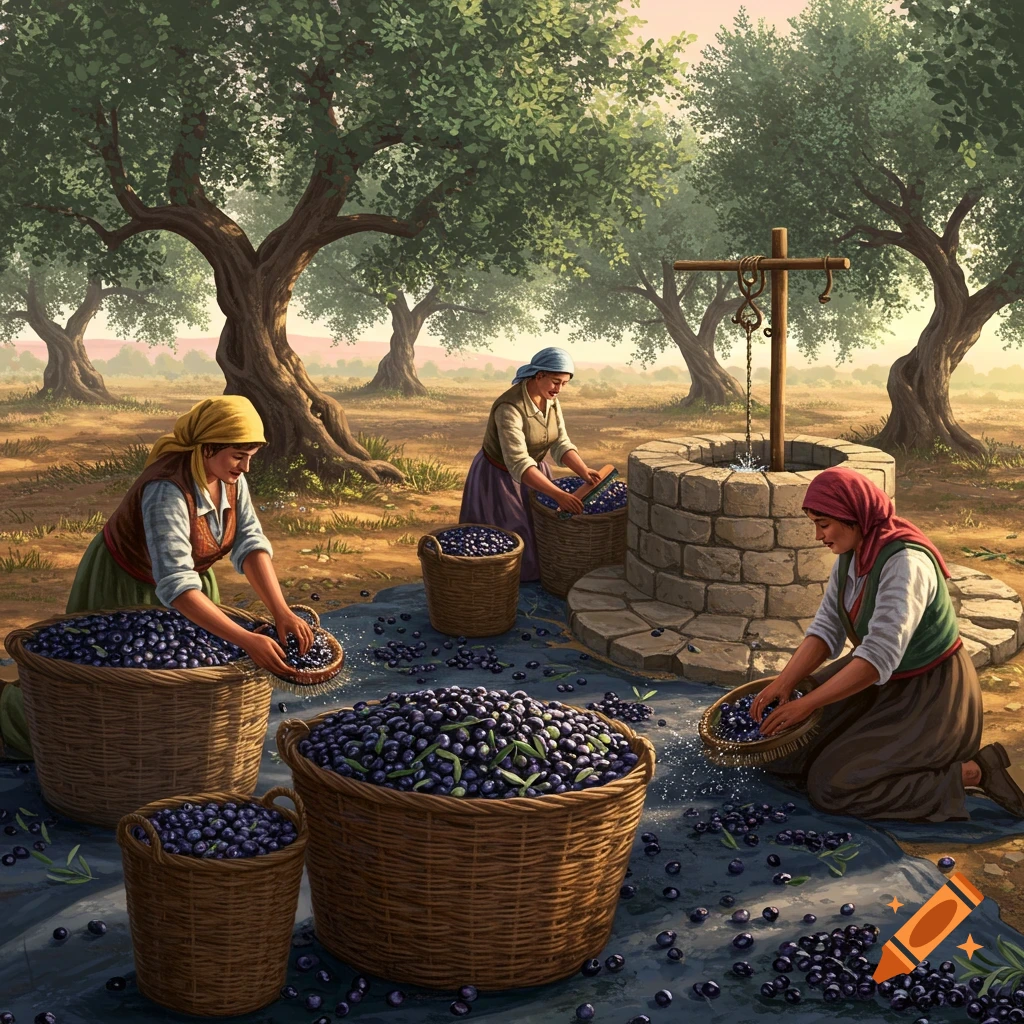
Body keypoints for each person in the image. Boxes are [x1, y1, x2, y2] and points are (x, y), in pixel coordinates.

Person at [0, 395, 312, 760]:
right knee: (108, 678)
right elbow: (176, 584)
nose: (245, 467)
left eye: (249, 457)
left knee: (184, 670)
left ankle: (168, 756)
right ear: (207, 447)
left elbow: (250, 543)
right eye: (237, 456)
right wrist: (246, 640)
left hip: (192, 589)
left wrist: (281, 611)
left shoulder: (229, 479)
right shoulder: (166, 489)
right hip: (124, 584)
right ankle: (17, 726)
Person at [751, 465, 1024, 822]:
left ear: (854, 517)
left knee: (832, 785)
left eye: (823, 523)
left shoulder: (906, 563)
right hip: (876, 682)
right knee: (780, 751)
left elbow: (878, 657)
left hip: (930, 696)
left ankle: (972, 772)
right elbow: (827, 629)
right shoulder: (850, 553)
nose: (818, 536)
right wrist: (783, 684)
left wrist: (808, 705)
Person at [459, 346, 602, 581]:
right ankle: (501, 588)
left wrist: (583, 470)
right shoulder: (509, 407)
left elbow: (560, 442)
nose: (559, 389)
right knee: (511, 533)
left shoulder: (551, 402)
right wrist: (558, 495)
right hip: (499, 478)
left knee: (538, 530)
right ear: (538, 376)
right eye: (556, 382)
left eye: (564, 384)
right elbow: (517, 461)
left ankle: (530, 581)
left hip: (535, 473)